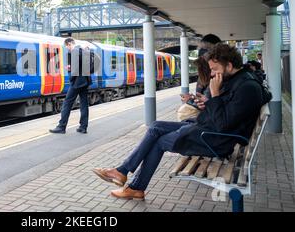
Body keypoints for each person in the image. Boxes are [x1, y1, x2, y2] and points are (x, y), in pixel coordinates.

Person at [93, 44, 264, 200]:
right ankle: (122, 172)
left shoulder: (247, 88)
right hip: (206, 129)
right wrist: (208, 101)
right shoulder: (238, 81)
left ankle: (134, 186)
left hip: (214, 140)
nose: (211, 74)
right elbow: (225, 114)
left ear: (229, 65)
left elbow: (223, 125)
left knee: (159, 142)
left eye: (214, 69)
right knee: (156, 126)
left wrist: (216, 95)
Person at [49, 38, 92, 134]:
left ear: (69, 44)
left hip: (77, 82)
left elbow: (75, 70)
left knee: (67, 103)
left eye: (66, 47)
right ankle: (83, 127)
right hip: (85, 81)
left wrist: (71, 78)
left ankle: (61, 127)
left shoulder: (75, 51)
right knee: (84, 104)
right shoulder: (82, 51)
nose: (67, 49)